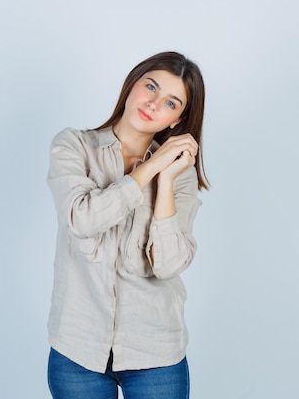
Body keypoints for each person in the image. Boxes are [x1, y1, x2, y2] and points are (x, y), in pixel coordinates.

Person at [46, 51, 209, 399]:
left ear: (176, 121)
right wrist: (147, 170)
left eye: (170, 102)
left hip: (157, 355)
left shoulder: (179, 178)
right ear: (132, 82)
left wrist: (165, 180)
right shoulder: (73, 146)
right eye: (150, 86)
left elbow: (168, 265)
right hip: (78, 351)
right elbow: (82, 218)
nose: (152, 102)